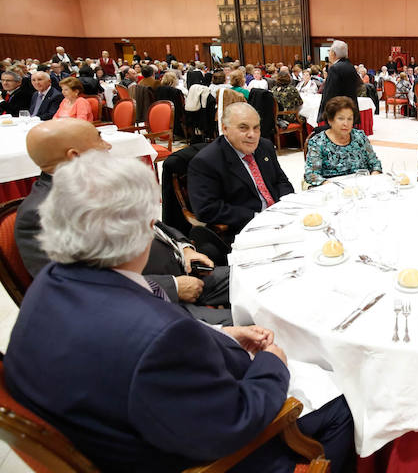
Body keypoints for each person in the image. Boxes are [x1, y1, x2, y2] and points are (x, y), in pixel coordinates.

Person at [5, 150, 355, 473]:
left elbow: (141, 347)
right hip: (182, 454)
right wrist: (273, 364)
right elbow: (232, 422)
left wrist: (221, 334)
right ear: (142, 231)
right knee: (340, 402)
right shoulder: (161, 337)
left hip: (111, 420)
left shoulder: (51, 281)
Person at [13, 119, 232, 324]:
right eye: (99, 139)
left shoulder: (93, 181)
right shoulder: (41, 214)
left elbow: (152, 223)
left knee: (259, 276)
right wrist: (173, 287)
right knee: (257, 323)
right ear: (74, 156)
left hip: (187, 272)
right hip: (147, 305)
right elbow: (77, 288)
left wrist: (184, 248)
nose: (108, 146)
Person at [189, 103, 294, 237]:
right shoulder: (206, 162)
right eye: (243, 128)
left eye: (256, 128)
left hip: (280, 219)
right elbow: (207, 209)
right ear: (225, 129)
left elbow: (281, 181)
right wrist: (259, 217)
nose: (252, 135)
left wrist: (285, 206)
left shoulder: (264, 146)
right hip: (245, 229)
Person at [305, 96, 382, 186]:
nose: (346, 123)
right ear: (330, 120)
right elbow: (311, 174)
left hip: (362, 186)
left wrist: (374, 177)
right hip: (332, 189)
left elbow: (375, 164)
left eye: (349, 119)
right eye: (341, 118)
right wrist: (330, 185)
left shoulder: (359, 136)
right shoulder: (318, 142)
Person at [318, 41, 361, 125]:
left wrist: (324, 114)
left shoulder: (335, 68)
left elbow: (329, 93)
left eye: (329, 51)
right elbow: (358, 85)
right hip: (350, 108)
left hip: (337, 111)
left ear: (333, 53)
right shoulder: (350, 66)